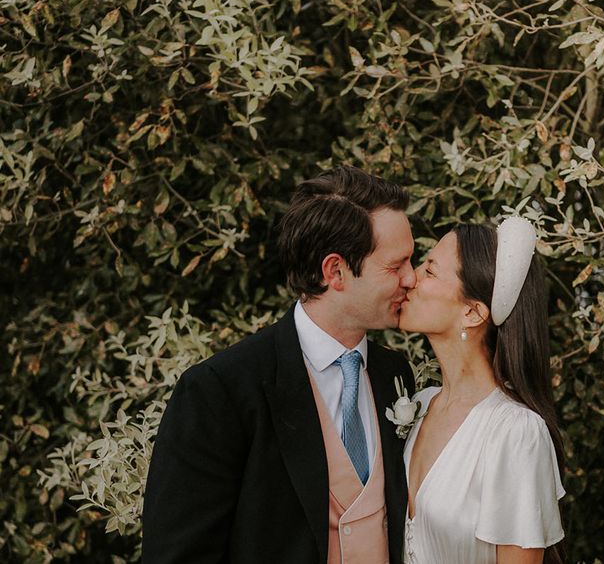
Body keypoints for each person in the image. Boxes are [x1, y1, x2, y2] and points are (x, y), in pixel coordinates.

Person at [142, 166, 417, 564]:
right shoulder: (219, 391)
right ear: (335, 271)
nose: (412, 279)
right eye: (396, 266)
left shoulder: (396, 375)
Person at [397, 218, 566, 564]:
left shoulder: (516, 433)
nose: (410, 278)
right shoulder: (418, 405)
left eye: (429, 270)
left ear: (472, 313)